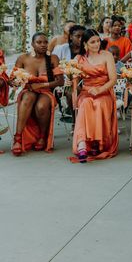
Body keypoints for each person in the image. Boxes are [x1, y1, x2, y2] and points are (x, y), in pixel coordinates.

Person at [11, 33, 64, 156]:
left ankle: (42, 136)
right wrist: (14, 81)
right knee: (28, 97)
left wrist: (41, 86)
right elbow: (14, 80)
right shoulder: (23, 58)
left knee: (41, 106)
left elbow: (60, 81)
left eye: (45, 42)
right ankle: (18, 138)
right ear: (32, 44)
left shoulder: (53, 58)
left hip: (46, 91)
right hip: (28, 91)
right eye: (39, 42)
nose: (43, 45)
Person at [71, 29, 119, 163]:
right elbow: (75, 79)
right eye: (92, 42)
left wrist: (100, 89)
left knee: (99, 104)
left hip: (104, 91)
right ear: (85, 44)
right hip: (86, 92)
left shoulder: (107, 55)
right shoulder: (79, 58)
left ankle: (98, 143)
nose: (96, 44)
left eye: (98, 41)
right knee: (86, 103)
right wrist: (70, 78)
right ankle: (82, 144)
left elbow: (113, 79)